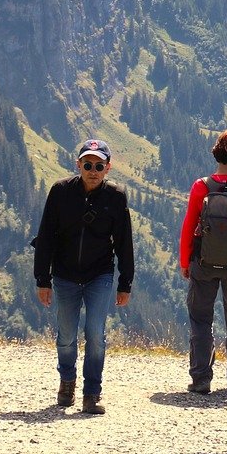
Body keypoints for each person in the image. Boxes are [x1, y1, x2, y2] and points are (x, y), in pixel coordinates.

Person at [33, 139, 134, 415]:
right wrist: (42, 278)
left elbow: (124, 242)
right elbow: (45, 237)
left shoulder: (116, 197)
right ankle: (67, 381)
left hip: (99, 275)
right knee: (66, 335)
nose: (93, 170)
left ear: (108, 168)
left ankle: (92, 393)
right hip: (64, 275)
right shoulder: (60, 192)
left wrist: (125, 283)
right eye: (87, 164)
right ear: (78, 165)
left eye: (98, 165)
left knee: (95, 335)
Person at [178, 130, 227, 394]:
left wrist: (185, 261)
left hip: (203, 261)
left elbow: (189, 226)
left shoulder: (201, 186)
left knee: (201, 319)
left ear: (216, 152)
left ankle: (201, 378)